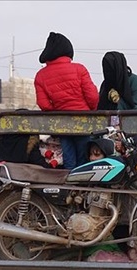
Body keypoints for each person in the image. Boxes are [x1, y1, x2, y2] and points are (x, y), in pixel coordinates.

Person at [34, 32, 99, 169]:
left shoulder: (40, 76)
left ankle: (69, 187)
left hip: (62, 122)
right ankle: (83, 187)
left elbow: (43, 104)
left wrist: (58, 110)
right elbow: (93, 97)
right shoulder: (79, 69)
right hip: (84, 120)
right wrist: (90, 111)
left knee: (68, 158)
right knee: (84, 157)